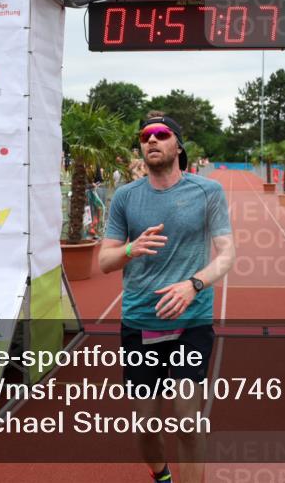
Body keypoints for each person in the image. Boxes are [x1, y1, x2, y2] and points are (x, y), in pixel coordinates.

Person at [100, 113, 235, 483]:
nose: (152, 140)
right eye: (145, 136)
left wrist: (193, 284)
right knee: (144, 425)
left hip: (191, 321)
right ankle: (161, 475)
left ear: (178, 145)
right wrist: (130, 249)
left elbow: (226, 254)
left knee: (188, 422)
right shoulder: (126, 197)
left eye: (161, 134)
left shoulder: (208, 192)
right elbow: (104, 261)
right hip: (140, 322)